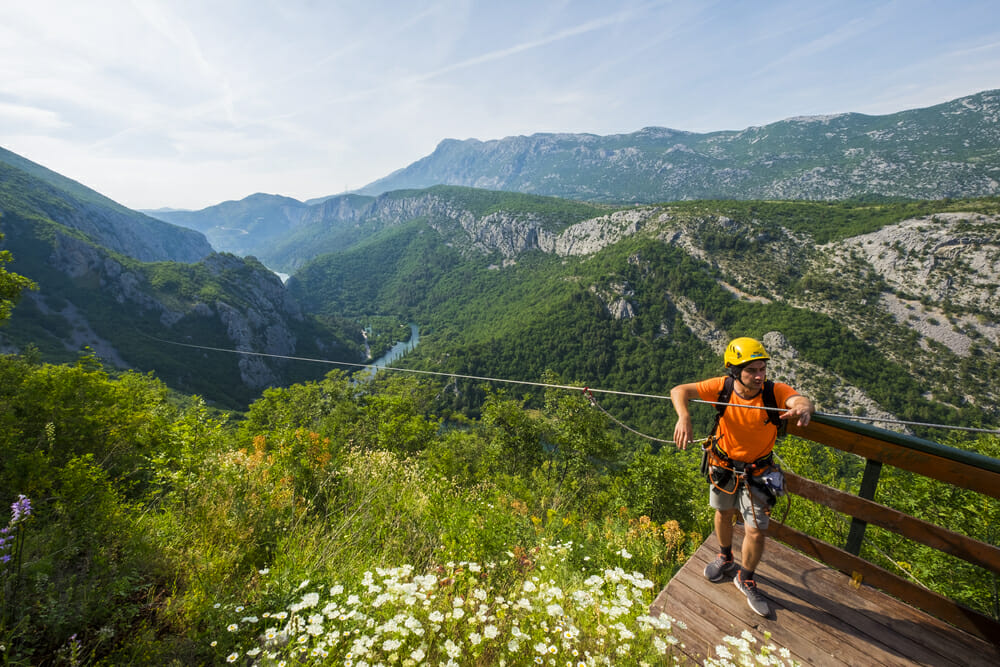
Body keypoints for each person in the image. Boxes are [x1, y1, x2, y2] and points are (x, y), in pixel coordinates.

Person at [670, 336, 814, 616]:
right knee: (723, 514)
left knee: (756, 530)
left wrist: (804, 406)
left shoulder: (774, 392)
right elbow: (679, 390)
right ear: (735, 371)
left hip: (761, 470)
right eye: (752, 371)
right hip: (722, 464)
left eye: (762, 369)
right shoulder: (722, 388)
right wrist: (684, 416)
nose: (760, 376)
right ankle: (725, 556)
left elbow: (798, 399)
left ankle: (745, 576)